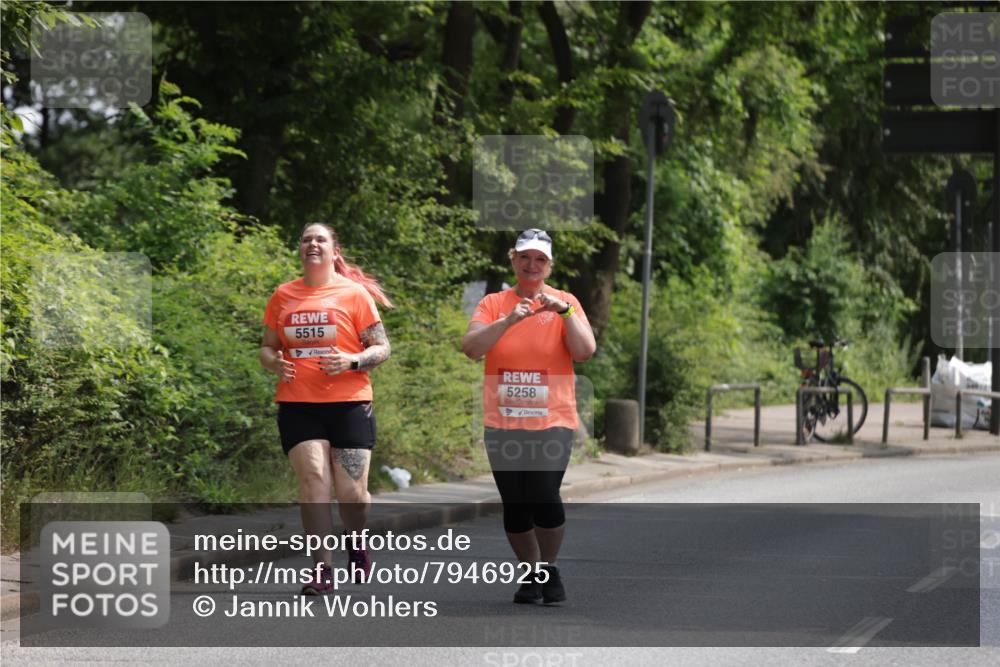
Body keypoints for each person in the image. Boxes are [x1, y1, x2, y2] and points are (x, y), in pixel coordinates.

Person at [462, 228, 596, 604]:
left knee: (544, 493)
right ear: (513, 260)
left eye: (540, 259)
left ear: (549, 266)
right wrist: (508, 322)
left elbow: (585, 351)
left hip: (552, 421)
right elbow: (471, 349)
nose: (531, 265)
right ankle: (531, 572)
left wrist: (565, 312)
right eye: (525, 257)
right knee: (516, 505)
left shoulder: (566, 302)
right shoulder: (493, 303)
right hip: (503, 423)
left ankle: (548, 566)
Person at [260, 222, 392, 594]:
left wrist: (352, 360)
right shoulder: (283, 295)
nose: (312, 244)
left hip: (349, 404)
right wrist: (273, 362)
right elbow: (267, 347)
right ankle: (322, 569)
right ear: (300, 250)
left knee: (352, 494)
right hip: (298, 403)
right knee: (313, 482)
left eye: (320, 239)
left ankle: (356, 541)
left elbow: (382, 348)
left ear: (335, 251)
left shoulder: (354, 294)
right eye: (305, 239)